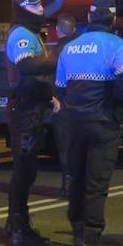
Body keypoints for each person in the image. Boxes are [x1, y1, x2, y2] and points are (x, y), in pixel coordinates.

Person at [56, 0, 123, 246]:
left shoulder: (70, 47)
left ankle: (78, 234)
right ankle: (91, 244)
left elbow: (60, 86)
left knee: (77, 178)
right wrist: (116, 103)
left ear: (90, 18)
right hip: (102, 122)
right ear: (112, 19)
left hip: (74, 122)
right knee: (96, 183)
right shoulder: (115, 44)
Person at [4, 0, 56, 246]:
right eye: (35, 6)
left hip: (32, 107)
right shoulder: (21, 34)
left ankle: (17, 224)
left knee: (28, 170)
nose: (41, 9)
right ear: (24, 8)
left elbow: (35, 77)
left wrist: (49, 97)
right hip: (24, 111)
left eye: (40, 4)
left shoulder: (32, 34)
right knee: (24, 170)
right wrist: (57, 60)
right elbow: (27, 67)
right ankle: (18, 229)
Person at [51, 13, 79, 199]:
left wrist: (52, 99)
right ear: (75, 30)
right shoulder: (81, 48)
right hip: (82, 104)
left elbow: (50, 79)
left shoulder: (56, 52)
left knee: (65, 148)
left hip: (62, 105)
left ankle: (68, 187)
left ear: (57, 31)